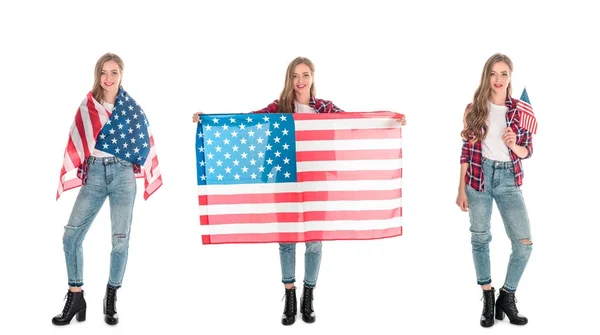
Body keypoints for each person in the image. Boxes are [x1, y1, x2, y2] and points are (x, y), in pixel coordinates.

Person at [193, 56, 405, 326]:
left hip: (318, 178)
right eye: (295, 76)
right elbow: (248, 120)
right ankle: (289, 294)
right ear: (289, 79)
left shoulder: (325, 108)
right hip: (284, 178)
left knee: (314, 239)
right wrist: (209, 120)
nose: (300, 80)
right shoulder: (279, 107)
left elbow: (355, 121)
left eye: (305, 75)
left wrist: (390, 122)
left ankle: (309, 294)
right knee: (287, 238)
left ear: (313, 78)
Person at [53, 52, 161, 326]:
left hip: (123, 173)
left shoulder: (132, 109)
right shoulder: (88, 105)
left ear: (121, 75)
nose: (108, 78)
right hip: (95, 174)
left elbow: (145, 144)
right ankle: (76, 295)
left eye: (114, 72)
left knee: (120, 240)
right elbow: (76, 139)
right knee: (71, 237)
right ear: (97, 75)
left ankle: (111, 296)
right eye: (104, 72)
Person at [456, 53, 533, 327]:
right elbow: (466, 150)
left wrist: (513, 145)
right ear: (486, 76)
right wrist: (460, 190)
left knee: (524, 244)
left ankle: (506, 296)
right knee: (480, 238)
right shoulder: (474, 108)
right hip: (478, 178)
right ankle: (487, 296)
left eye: (504, 74)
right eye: (493, 73)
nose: (498, 79)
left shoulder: (519, 111)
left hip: (509, 180)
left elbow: (527, 151)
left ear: (510, 77)